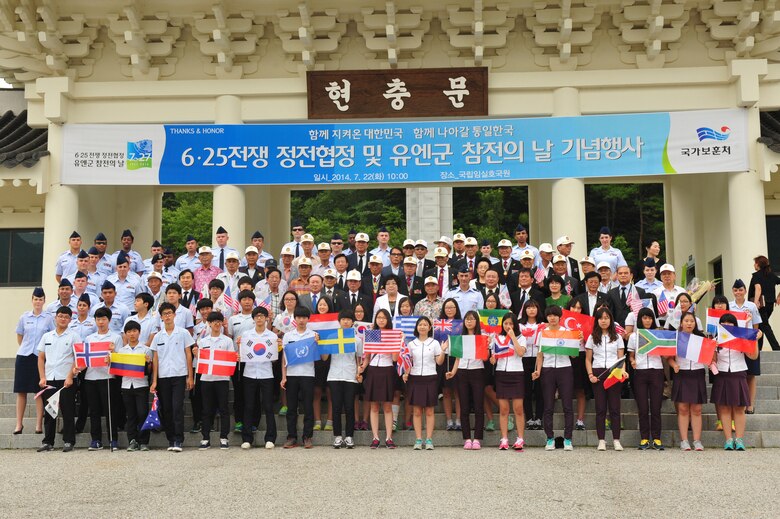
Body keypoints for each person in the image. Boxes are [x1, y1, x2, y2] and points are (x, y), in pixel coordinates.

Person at [150, 302, 195, 452]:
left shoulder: (183, 333)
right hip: (163, 376)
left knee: (177, 407)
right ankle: (170, 439)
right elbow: (155, 359)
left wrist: (190, 376)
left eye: (170, 313)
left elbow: (188, 355)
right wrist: (154, 380)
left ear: (175, 315)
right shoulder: (158, 337)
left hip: (179, 375)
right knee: (167, 408)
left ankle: (178, 439)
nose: (167, 316)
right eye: (164, 314)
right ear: (161, 317)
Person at [712, 313, 759, 450]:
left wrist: (753, 341)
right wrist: (711, 348)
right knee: (724, 408)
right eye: (724, 323)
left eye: (730, 322)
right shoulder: (716, 339)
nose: (727, 325)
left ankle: (739, 439)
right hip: (722, 374)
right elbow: (712, 361)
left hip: (738, 373)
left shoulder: (741, 338)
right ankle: (728, 440)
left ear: (734, 325)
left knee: (739, 408)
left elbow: (753, 356)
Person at [533, 305, 576, 451]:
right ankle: (550, 438)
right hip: (548, 369)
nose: (552, 318)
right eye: (549, 315)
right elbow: (540, 355)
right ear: (546, 317)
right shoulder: (542, 333)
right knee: (548, 406)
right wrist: (538, 371)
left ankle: (568, 439)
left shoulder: (568, 332)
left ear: (560, 317)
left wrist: (577, 342)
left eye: (555, 315)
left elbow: (574, 355)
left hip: (565, 368)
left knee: (568, 405)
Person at [82, 307, 124, 451]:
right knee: (93, 410)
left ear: (109, 320)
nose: (100, 322)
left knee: (110, 410)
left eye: (103, 319)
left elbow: (120, 359)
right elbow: (85, 358)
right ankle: (96, 440)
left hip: (108, 377)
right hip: (91, 377)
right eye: (98, 319)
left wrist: (112, 355)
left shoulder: (116, 337)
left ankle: (113, 439)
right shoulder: (89, 338)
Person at [36, 306, 77, 452]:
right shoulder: (47, 336)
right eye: (60, 316)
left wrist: (70, 376)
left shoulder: (74, 336)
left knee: (68, 411)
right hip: (49, 379)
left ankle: (69, 441)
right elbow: (41, 358)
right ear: (55, 318)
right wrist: (42, 377)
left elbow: (77, 359)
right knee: (50, 411)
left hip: (66, 379)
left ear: (70, 320)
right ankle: (48, 442)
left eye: (66, 317)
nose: (63, 319)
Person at [14, 287, 53, 435]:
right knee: (21, 391)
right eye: (35, 299)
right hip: (24, 356)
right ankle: (19, 424)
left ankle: (38, 424)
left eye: (40, 299)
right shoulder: (24, 317)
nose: (38, 302)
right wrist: (26, 348)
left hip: (39, 357)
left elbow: (50, 337)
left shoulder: (48, 318)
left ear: (44, 301)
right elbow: (20, 336)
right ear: (32, 300)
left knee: (39, 391)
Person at [585, 307, 625, 451]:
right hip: (598, 373)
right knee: (600, 408)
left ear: (611, 319)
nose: (604, 320)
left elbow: (621, 358)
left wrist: (623, 371)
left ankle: (616, 440)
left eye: (606, 318)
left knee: (615, 408)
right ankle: (601, 440)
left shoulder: (618, 337)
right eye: (601, 318)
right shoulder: (592, 337)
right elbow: (588, 359)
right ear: (597, 320)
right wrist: (591, 375)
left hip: (614, 373)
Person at [447, 310, 487, 450]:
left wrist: (485, 346)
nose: (469, 321)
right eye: (467, 319)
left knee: (478, 406)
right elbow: (458, 358)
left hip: (477, 371)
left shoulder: (482, 337)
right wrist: (452, 372)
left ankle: (477, 438)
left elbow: (485, 358)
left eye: (472, 319)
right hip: (462, 372)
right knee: (463, 406)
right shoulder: (460, 338)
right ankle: (467, 438)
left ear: (477, 321)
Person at [403, 316, 446, 450]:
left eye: (425, 324)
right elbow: (408, 362)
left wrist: (443, 350)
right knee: (416, 411)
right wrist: (406, 373)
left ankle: (428, 439)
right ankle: (418, 439)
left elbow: (439, 362)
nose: (422, 327)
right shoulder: (411, 344)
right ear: (416, 327)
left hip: (430, 378)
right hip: (415, 378)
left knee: (429, 411)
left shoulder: (434, 343)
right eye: (420, 324)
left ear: (429, 327)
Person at [668, 312, 708, 451]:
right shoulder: (676, 338)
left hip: (697, 372)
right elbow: (670, 357)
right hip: (682, 373)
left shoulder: (701, 338)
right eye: (686, 321)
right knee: (683, 408)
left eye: (692, 321)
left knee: (697, 409)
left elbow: (709, 356)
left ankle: (697, 440)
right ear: (681, 323)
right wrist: (674, 365)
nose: (689, 323)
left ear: (695, 323)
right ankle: (684, 440)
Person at [239, 306, 278, 449]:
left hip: (266, 373)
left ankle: (270, 438)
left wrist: (277, 349)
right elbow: (242, 354)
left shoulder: (272, 337)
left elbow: (274, 360)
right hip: (249, 373)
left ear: (267, 318)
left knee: (268, 406)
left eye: (262, 316)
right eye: (257, 316)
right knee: (249, 406)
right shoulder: (246, 335)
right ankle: (247, 438)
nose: (260, 318)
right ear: (253, 318)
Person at [196, 311, 236, 450]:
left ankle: (224, 437)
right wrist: (197, 354)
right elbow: (199, 361)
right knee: (207, 409)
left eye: (219, 321)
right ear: (209, 323)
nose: (217, 324)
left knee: (224, 409)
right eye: (214, 322)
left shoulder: (227, 341)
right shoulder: (202, 341)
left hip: (222, 379)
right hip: (206, 379)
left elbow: (231, 359)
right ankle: (205, 438)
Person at [627, 307, 666, 450]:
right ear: (640, 319)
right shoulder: (634, 336)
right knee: (643, 407)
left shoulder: (658, 334)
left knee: (656, 407)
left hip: (656, 371)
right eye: (644, 318)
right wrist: (632, 361)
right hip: (640, 372)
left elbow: (665, 351)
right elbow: (631, 354)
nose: (647, 320)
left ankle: (656, 438)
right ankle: (644, 438)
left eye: (650, 318)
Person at [360, 309, 399, 449]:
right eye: (379, 318)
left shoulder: (393, 335)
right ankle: (375, 437)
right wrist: (362, 368)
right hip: (373, 370)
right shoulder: (372, 334)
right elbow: (367, 356)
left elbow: (395, 359)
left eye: (384, 318)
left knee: (387, 406)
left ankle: (389, 438)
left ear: (388, 319)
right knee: (374, 405)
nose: (381, 320)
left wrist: (397, 344)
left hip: (387, 369)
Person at [281, 305, 318, 449]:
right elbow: (284, 359)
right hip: (292, 374)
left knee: (308, 406)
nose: (301, 320)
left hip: (308, 374)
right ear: (294, 319)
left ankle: (307, 437)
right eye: (299, 317)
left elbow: (320, 356)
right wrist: (284, 377)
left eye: (304, 317)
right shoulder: (288, 336)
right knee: (291, 408)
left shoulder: (313, 335)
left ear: (308, 319)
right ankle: (292, 437)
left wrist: (317, 342)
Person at [491, 312, 527, 450]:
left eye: (511, 323)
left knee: (518, 408)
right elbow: (493, 355)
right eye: (505, 323)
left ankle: (520, 438)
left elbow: (521, 353)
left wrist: (513, 337)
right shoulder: (497, 338)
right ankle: (504, 438)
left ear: (515, 325)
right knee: (504, 409)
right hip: (501, 374)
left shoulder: (521, 338)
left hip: (516, 373)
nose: (508, 326)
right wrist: (493, 359)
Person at [325, 309, 361, 449]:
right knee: (336, 406)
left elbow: (359, 359)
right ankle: (338, 436)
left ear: (353, 322)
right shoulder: (332, 337)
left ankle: (350, 436)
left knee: (350, 407)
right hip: (334, 375)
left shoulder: (356, 339)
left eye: (348, 319)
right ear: (339, 321)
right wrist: (321, 344)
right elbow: (324, 358)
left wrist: (359, 373)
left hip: (350, 375)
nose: (346, 321)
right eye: (343, 319)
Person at [118, 320, 153, 451]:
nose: (132, 334)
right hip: (126, 385)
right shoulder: (121, 351)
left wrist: (148, 363)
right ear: (125, 334)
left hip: (141, 385)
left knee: (143, 412)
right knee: (131, 414)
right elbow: (118, 369)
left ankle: (144, 441)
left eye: (134, 331)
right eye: (129, 332)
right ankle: (132, 440)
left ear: (139, 332)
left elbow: (149, 371)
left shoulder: (146, 350)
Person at [730, 279, 762, 415]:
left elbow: (756, 325)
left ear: (745, 291)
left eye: (741, 290)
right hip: (735, 342)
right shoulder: (729, 306)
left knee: (751, 374)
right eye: (736, 290)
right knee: (740, 374)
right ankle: (742, 403)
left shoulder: (751, 306)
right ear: (733, 291)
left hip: (749, 340)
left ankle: (750, 405)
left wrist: (754, 340)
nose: (738, 292)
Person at [519, 300, 544, 431]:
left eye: (534, 307)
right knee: (526, 390)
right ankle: (529, 418)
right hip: (524, 358)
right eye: (528, 307)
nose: (531, 310)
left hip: (539, 358)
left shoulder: (543, 325)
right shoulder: (520, 325)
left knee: (540, 390)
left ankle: (539, 418)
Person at [438, 298, 462, 430]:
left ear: (456, 309)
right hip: (443, 358)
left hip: (457, 358)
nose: (449, 310)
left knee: (458, 391)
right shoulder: (439, 324)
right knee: (446, 392)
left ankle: (458, 420)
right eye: (447, 308)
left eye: (452, 307)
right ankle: (449, 420)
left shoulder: (462, 324)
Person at [749, 255, 780, 351]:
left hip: (761, 305)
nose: (754, 265)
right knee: (761, 326)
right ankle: (758, 349)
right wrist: (778, 296)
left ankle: (777, 348)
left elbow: (758, 288)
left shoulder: (757, 275)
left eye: (755, 263)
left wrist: (755, 303)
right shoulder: (771, 275)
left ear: (757, 264)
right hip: (770, 305)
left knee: (764, 326)